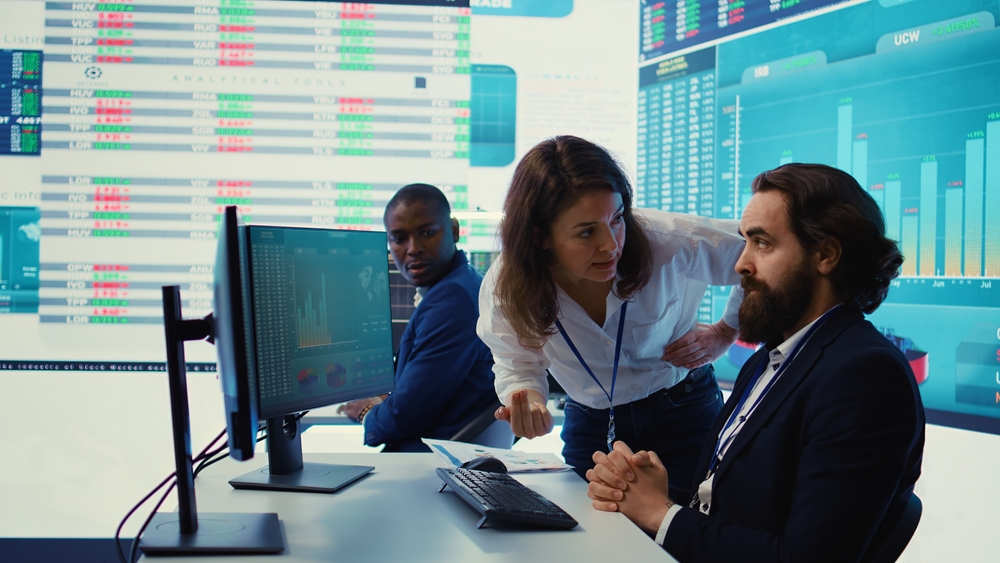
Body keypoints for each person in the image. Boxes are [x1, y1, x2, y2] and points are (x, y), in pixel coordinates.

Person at [586, 163, 926, 563]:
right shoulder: (772, 358)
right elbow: (740, 509)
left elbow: (806, 557)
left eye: (762, 243)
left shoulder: (866, 376)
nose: (741, 264)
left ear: (827, 255)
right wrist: (656, 495)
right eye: (745, 242)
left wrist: (661, 515)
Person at [476, 135, 745, 500]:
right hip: (591, 419)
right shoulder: (507, 285)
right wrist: (529, 398)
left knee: (683, 537)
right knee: (590, 539)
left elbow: (762, 253)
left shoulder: (667, 240)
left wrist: (726, 331)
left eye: (617, 218)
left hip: (682, 410)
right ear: (540, 237)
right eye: (586, 231)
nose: (611, 244)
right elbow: (515, 361)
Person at [338, 183, 498, 452]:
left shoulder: (452, 300)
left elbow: (405, 415)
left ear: (455, 231)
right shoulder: (465, 283)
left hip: (424, 463)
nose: (413, 249)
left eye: (427, 232)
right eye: (399, 239)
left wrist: (367, 413)